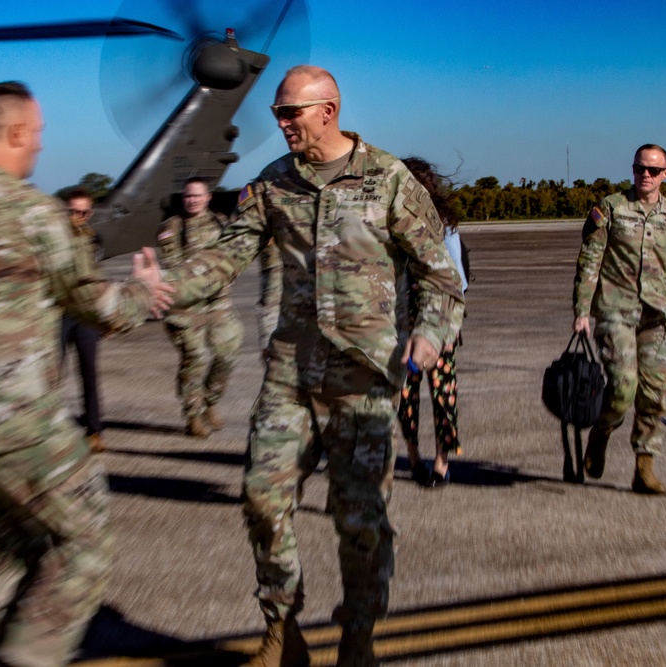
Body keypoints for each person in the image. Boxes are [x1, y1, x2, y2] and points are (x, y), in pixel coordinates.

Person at [163, 65, 464, 667]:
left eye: (289, 113)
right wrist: (163, 288)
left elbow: (440, 277)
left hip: (363, 378)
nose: (279, 124)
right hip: (291, 375)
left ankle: (358, 635)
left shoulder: (388, 180)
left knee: (360, 520)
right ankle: (281, 628)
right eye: (277, 113)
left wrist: (429, 335)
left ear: (328, 109)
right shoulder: (273, 183)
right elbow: (224, 259)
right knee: (261, 498)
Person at [0, 81, 173, 667]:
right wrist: (144, 294)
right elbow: (96, 306)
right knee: (84, 543)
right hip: (17, 423)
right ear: (17, 132)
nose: (40, 148)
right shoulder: (33, 212)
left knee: (2, 560)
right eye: (39, 135)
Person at [573, 143, 666, 494]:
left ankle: (644, 466)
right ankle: (602, 430)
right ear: (633, 169)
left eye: (654, 170)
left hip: (656, 316)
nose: (646, 175)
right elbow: (589, 261)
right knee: (623, 387)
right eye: (640, 168)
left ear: (665, 174)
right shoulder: (610, 208)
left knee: (655, 394)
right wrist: (581, 311)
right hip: (615, 311)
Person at [397, 157, 467, 488]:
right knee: (404, 392)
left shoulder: (445, 226)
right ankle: (412, 456)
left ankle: (441, 461)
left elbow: (460, 280)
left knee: (443, 392)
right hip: (401, 322)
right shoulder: (391, 225)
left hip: (439, 323)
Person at [157, 177, 244, 437]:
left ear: (208, 198)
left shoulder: (222, 223)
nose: (192, 200)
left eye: (197, 195)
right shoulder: (171, 228)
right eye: (188, 196)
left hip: (218, 301)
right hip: (186, 305)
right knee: (194, 358)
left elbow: (234, 255)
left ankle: (210, 401)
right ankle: (193, 415)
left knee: (227, 353)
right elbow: (174, 266)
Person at [59, 189, 106, 453]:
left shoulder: (95, 239)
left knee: (89, 373)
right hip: (59, 314)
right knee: (53, 376)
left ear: (90, 214)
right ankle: (52, 433)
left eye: (83, 212)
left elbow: (98, 277)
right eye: (72, 211)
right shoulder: (55, 240)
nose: (77, 217)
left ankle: (94, 430)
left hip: (85, 316)